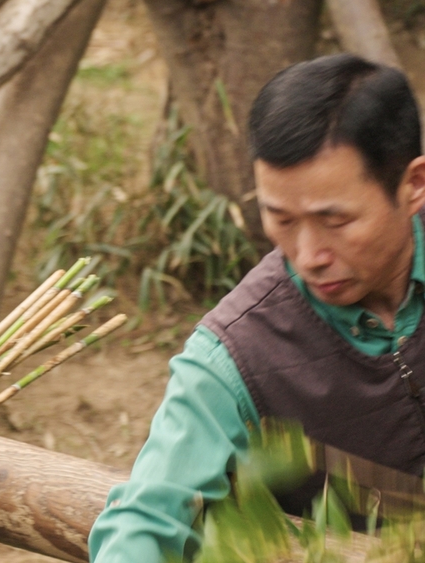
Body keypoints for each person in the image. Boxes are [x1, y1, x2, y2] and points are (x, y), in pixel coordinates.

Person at [88, 53, 425, 562]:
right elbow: (147, 518)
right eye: (281, 219)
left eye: (335, 221)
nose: (310, 256)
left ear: (414, 185)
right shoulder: (238, 353)